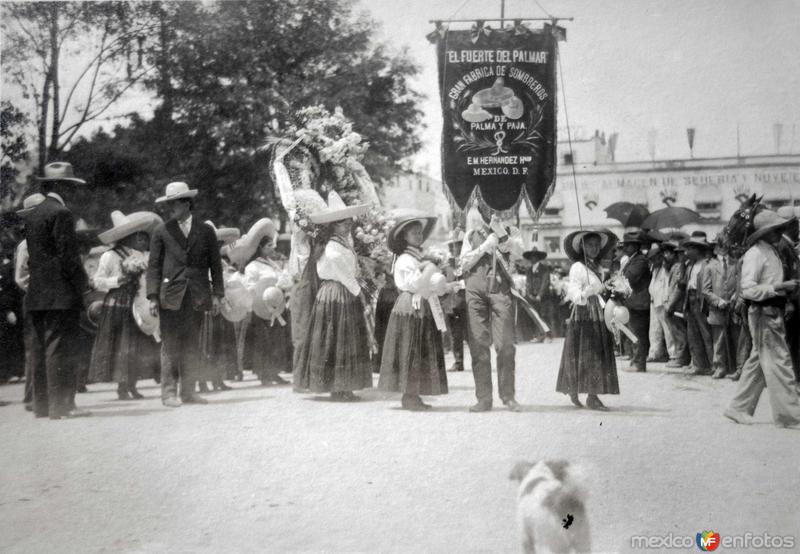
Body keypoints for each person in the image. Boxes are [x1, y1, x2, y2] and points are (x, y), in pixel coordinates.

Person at [146, 182, 224, 407]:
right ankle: (169, 394)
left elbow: (215, 266)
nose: (170, 207)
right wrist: (152, 296)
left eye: (174, 203)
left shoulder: (206, 231)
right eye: (168, 203)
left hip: (197, 295)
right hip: (170, 296)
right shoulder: (161, 231)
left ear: (187, 203)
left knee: (192, 345)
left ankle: (189, 393)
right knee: (170, 344)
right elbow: (154, 267)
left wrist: (218, 295)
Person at [24, 162, 91, 419]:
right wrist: (83, 285)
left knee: (41, 349)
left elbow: (35, 258)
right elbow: (68, 258)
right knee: (59, 349)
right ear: (60, 186)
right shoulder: (61, 213)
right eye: (71, 186)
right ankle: (60, 407)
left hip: (37, 294)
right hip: (60, 294)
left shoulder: (33, 214)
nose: (74, 192)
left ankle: (42, 407)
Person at [293, 191, 373, 401]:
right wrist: (361, 294)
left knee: (341, 337)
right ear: (332, 226)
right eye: (341, 223)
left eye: (348, 221)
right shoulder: (332, 248)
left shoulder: (341, 244)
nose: (346, 225)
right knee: (338, 337)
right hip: (337, 292)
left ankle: (343, 386)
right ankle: (338, 386)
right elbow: (345, 275)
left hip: (340, 291)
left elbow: (351, 273)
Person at [724, 210, 800, 429]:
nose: (780, 232)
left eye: (780, 228)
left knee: (758, 363)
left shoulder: (771, 252)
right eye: (775, 229)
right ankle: (790, 415)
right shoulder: (755, 254)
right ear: (764, 233)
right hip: (763, 313)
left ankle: (738, 408)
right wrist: (778, 288)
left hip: (770, 311)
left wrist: (783, 292)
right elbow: (748, 289)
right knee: (780, 362)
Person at [379, 210, 448, 411]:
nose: (418, 236)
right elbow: (417, 283)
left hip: (421, 303)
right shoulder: (405, 260)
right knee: (411, 348)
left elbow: (427, 283)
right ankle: (409, 395)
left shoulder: (419, 257)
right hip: (410, 305)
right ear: (405, 237)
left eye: (419, 232)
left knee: (419, 349)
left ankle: (414, 393)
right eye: (413, 233)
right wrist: (429, 269)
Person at [89, 210, 162, 399]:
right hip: (118, 304)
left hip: (138, 303)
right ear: (132, 237)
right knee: (122, 345)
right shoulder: (110, 256)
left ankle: (132, 384)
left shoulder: (143, 256)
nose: (145, 242)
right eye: (142, 238)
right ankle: (122, 386)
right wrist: (117, 280)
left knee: (137, 346)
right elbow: (97, 281)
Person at [460, 207, 524, 412]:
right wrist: (484, 247)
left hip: (500, 289)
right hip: (475, 289)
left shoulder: (511, 231)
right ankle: (484, 398)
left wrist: (499, 231)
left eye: (493, 207)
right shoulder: (471, 234)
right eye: (485, 208)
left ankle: (508, 396)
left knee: (505, 344)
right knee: (478, 343)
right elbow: (463, 264)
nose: (489, 212)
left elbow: (518, 253)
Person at [556, 229, 620, 410]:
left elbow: (600, 289)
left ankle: (593, 395)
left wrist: (607, 288)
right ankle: (574, 388)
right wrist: (585, 293)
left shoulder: (598, 267)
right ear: (582, 247)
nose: (594, 249)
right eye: (590, 245)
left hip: (598, 312)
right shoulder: (578, 267)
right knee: (583, 352)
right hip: (584, 313)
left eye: (596, 246)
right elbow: (573, 291)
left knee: (597, 353)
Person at [242, 219, 293, 386]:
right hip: (261, 308)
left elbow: (284, 282)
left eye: (273, 245)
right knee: (263, 341)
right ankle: (264, 373)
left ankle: (274, 372)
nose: (273, 248)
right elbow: (249, 287)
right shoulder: (253, 267)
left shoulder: (273, 265)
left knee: (276, 340)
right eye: (269, 246)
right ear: (261, 248)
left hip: (275, 307)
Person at [197, 221, 241, 392]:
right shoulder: (201, 261)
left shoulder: (221, 263)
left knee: (218, 344)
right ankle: (201, 381)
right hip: (206, 305)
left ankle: (217, 378)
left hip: (220, 305)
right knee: (206, 343)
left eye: (220, 244)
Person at [702, 239, 736, 379]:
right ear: (715, 249)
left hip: (732, 306)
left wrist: (735, 296)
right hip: (717, 307)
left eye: (725, 245)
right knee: (719, 339)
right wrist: (718, 301)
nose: (723, 248)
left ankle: (733, 367)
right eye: (720, 245)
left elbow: (739, 282)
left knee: (734, 337)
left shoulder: (735, 263)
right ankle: (719, 366)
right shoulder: (710, 266)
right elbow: (705, 289)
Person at [682, 232, 714, 375]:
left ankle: (713, 364)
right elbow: (685, 283)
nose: (687, 252)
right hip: (691, 299)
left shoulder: (707, 264)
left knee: (706, 333)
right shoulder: (690, 265)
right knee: (693, 334)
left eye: (690, 248)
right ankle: (699, 364)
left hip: (701, 300)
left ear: (698, 249)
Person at [620, 230, 651, 372]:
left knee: (638, 333)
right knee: (633, 332)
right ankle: (636, 360)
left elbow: (629, 278)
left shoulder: (640, 260)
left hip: (639, 302)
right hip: (633, 301)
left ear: (635, 246)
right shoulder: (633, 259)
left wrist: (620, 277)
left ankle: (639, 363)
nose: (625, 248)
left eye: (628, 245)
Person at [662, 241, 690, 368]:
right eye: (678, 253)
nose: (680, 256)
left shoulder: (682, 267)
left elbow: (679, 288)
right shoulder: (677, 266)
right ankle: (680, 356)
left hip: (677, 303)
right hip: (674, 302)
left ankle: (681, 357)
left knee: (679, 331)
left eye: (681, 253)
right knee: (675, 330)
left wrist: (671, 304)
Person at [442, 230, 467, 371]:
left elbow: (471, 281)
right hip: (451, 304)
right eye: (451, 246)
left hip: (464, 302)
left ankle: (476, 361)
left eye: (457, 246)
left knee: (467, 334)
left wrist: (459, 285)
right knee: (454, 334)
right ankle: (458, 362)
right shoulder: (446, 265)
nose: (453, 249)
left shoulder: (467, 263)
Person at [523, 247, 553, 343]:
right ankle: (539, 335)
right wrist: (529, 295)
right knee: (535, 316)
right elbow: (527, 283)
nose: (532, 259)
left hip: (544, 297)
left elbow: (545, 282)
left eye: (534, 257)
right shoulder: (529, 270)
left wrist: (540, 295)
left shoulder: (544, 269)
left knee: (544, 315)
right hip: (533, 296)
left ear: (538, 258)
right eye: (531, 257)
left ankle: (548, 336)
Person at [646, 244, 671, 363]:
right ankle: (655, 353)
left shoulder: (665, 269)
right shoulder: (654, 269)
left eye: (654, 259)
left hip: (663, 302)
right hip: (654, 301)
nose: (652, 261)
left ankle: (673, 354)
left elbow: (666, 287)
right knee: (654, 329)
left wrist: (666, 301)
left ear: (660, 258)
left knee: (667, 329)